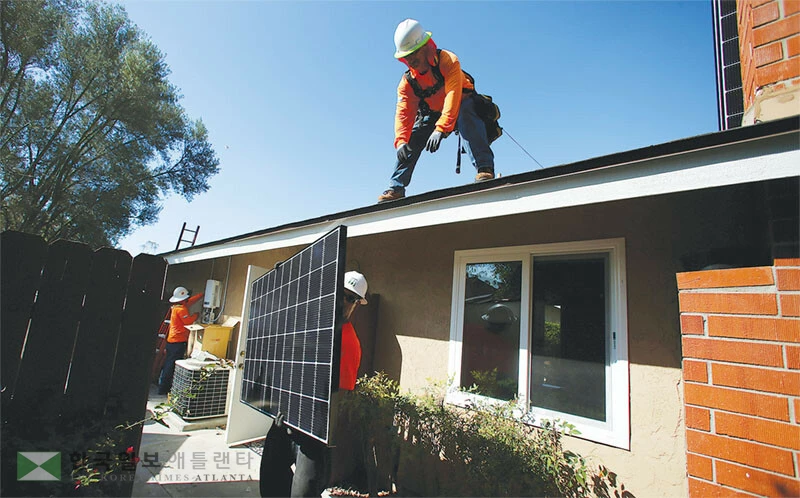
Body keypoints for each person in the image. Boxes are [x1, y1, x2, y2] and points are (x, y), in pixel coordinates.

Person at [260, 271, 369, 498]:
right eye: (340, 293)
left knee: (303, 493)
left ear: (356, 304)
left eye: (350, 298)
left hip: (312, 432)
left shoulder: (348, 342)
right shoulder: (307, 325)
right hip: (285, 418)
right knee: (270, 484)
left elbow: (339, 395)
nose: (342, 301)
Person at [378, 19, 495, 203]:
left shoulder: (448, 61)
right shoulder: (408, 82)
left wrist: (441, 129)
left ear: (425, 48)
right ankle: (396, 187)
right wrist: (401, 141)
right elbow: (404, 113)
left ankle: (485, 168)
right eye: (406, 57)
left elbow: (452, 95)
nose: (410, 61)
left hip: (461, 103)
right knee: (412, 138)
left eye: (413, 55)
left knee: (466, 113)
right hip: (434, 112)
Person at [158, 286, 203, 395]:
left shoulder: (176, 307)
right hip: (177, 342)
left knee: (168, 363)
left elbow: (190, 301)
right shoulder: (181, 309)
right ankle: (164, 388)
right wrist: (196, 315)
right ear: (183, 299)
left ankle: (163, 386)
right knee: (172, 365)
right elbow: (188, 321)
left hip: (172, 341)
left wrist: (202, 295)